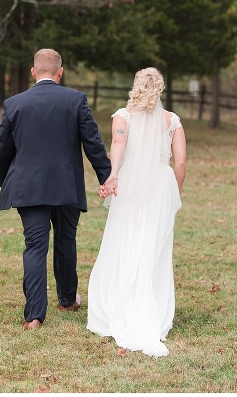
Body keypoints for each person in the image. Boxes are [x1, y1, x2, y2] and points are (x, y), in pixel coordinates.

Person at [0, 48, 112, 331]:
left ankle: (34, 316)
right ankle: (67, 299)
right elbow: (92, 144)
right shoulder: (76, 100)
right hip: (66, 184)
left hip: (29, 186)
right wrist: (106, 176)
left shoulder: (14, 104)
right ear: (60, 72)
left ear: (34, 72)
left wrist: (7, 181)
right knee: (65, 240)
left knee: (35, 246)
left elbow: (3, 152)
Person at [87, 68, 186, 357]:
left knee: (125, 240)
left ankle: (119, 303)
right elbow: (180, 161)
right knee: (154, 245)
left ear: (135, 86)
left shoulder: (123, 116)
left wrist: (113, 174)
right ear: (160, 88)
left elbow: (117, 144)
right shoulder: (172, 121)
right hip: (161, 184)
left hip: (129, 184)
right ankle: (151, 306)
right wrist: (175, 192)